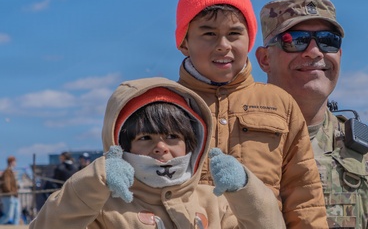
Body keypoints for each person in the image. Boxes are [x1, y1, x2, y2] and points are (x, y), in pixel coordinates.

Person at [30, 77, 285, 229]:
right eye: (145, 137)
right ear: (121, 145)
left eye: (173, 136)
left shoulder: (217, 203)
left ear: (192, 143)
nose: (161, 147)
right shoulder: (101, 209)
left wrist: (247, 191)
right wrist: (92, 182)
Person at [175, 0, 327, 228]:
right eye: (209, 34)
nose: (223, 46)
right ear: (184, 43)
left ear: (250, 40)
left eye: (234, 34)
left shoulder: (280, 104)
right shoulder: (161, 104)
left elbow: (304, 197)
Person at [255, 0, 368, 228]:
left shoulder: (367, 154)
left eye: (328, 40)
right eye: (296, 40)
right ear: (264, 59)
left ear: (339, 55)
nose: (314, 52)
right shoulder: (236, 140)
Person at [0, 156, 21, 225]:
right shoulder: (7, 172)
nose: (16, 163)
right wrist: (11, 192)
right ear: (11, 162)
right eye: (15, 161)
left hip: (14, 196)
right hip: (9, 196)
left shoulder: (12, 172)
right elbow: (6, 184)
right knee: (8, 216)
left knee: (17, 215)